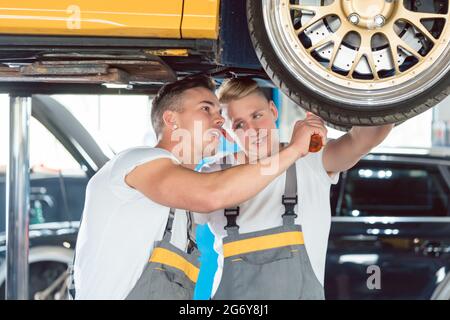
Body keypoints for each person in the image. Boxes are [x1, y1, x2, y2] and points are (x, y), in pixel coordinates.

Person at [72, 75, 327, 299]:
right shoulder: (137, 161)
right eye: (206, 109)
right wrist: (294, 150)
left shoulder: (183, 210)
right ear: (171, 119)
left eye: (219, 114)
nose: (219, 120)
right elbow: (212, 193)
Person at [196, 77, 394, 299]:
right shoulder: (212, 175)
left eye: (257, 115)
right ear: (226, 132)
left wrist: (382, 84)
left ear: (273, 111)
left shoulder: (311, 159)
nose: (252, 129)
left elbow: (364, 139)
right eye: (239, 124)